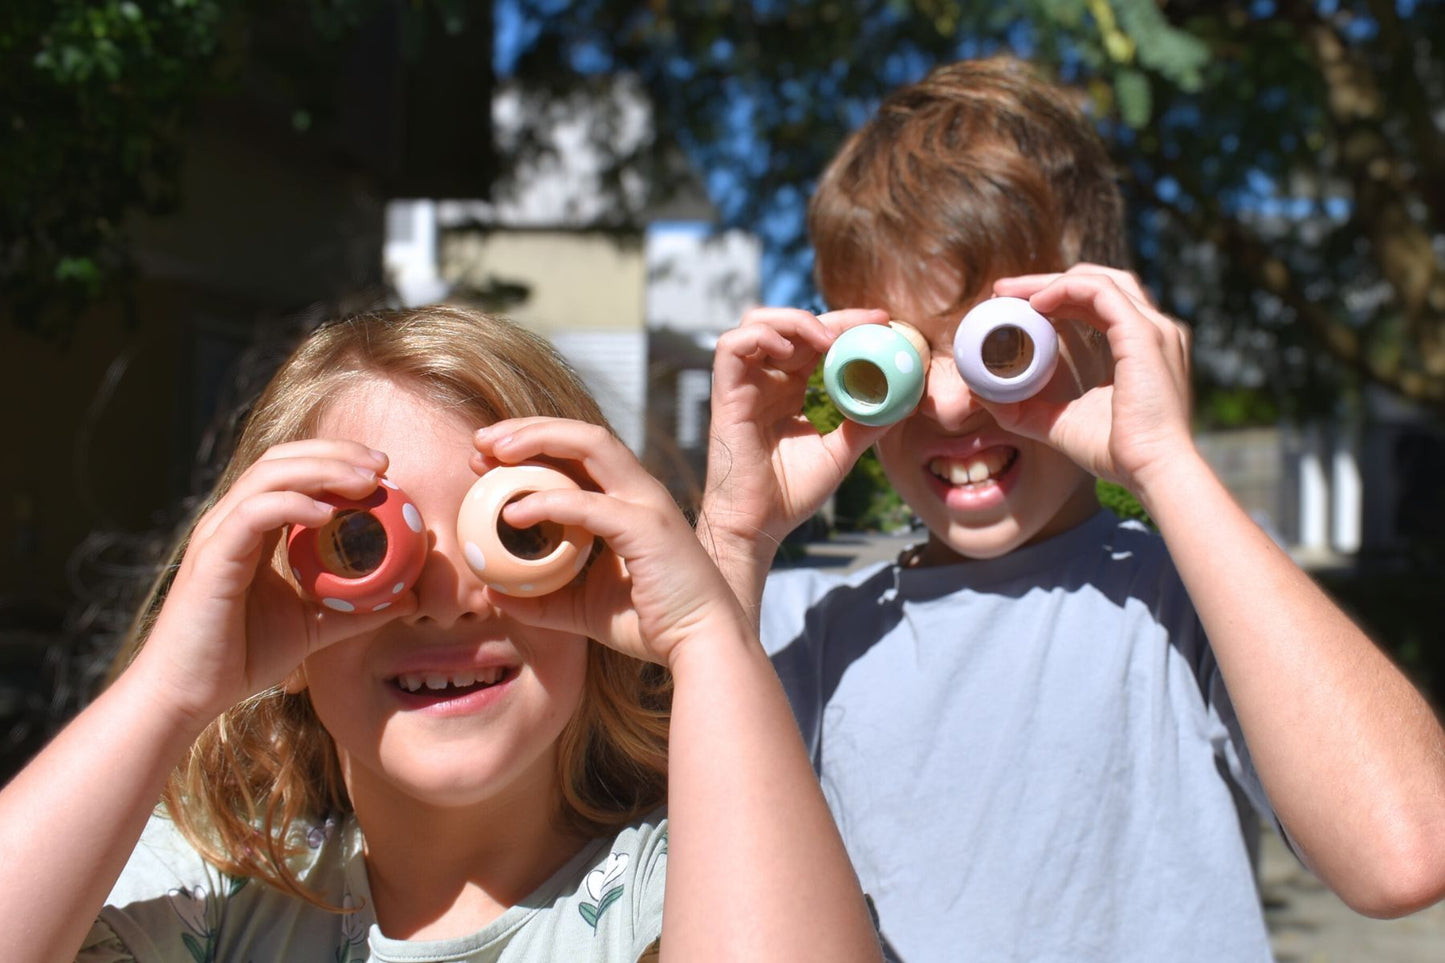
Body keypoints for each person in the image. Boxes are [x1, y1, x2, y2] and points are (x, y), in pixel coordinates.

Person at [697, 55, 1445, 961]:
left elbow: (1407, 846)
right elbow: (655, 855)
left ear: (1097, 324)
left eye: (997, 346)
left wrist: (1167, 461)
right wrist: (734, 537)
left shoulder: (1188, 599)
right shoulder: (789, 630)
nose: (949, 403)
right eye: (895, 356)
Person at [0, 305, 883, 963]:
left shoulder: (670, 894)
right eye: (363, 542)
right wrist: (168, 690)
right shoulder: (221, 892)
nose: (446, 601)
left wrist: (701, 635)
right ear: (279, 609)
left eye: (520, 532)